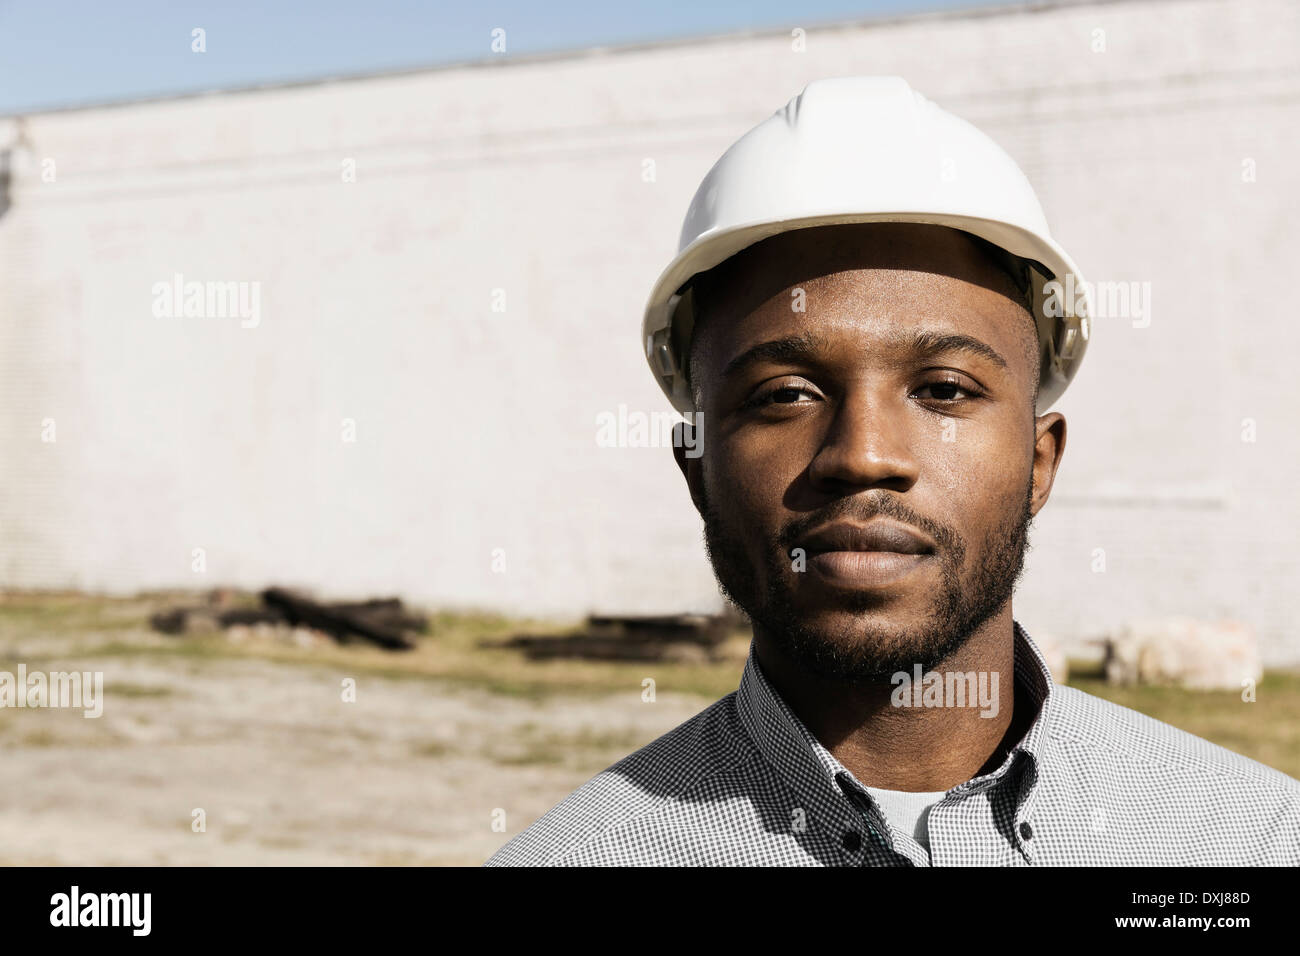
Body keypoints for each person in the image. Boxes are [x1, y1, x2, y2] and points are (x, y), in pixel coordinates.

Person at [485, 77, 1300, 866]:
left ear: (1039, 462)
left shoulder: (1250, 843)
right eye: (784, 395)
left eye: (944, 389)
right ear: (696, 468)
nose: (864, 453)